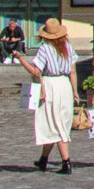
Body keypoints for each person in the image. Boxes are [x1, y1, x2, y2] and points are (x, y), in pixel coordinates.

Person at [28, 17, 76, 173]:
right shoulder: (68, 47)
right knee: (55, 122)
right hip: (65, 85)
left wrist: (22, 61)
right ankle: (43, 159)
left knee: (56, 123)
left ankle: (66, 161)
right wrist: (75, 91)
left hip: (51, 84)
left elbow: (37, 71)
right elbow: (73, 71)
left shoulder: (45, 49)